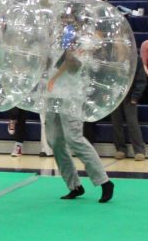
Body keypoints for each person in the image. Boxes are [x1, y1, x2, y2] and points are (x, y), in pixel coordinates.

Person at [45, 41, 115, 203]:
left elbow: (75, 66)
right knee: (55, 141)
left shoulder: (81, 39)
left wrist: (68, 52)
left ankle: (104, 181)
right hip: (50, 94)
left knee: (73, 138)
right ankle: (74, 185)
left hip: (71, 94)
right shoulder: (51, 37)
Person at [111, 60, 147, 161]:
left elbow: (141, 79)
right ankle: (120, 148)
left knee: (132, 122)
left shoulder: (135, 59)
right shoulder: (111, 56)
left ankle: (139, 150)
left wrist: (136, 95)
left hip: (130, 94)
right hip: (114, 94)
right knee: (116, 122)